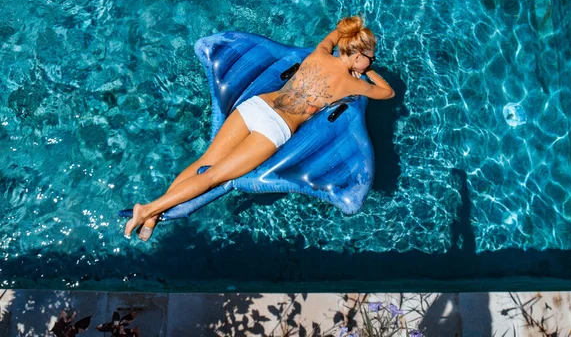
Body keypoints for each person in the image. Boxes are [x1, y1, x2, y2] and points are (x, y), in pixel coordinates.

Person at [125, 16, 395, 241]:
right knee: (214, 176)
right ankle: (148, 209)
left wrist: (349, 38)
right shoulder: (352, 84)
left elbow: (336, 34)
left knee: (204, 161)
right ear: (358, 55)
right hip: (274, 127)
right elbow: (387, 92)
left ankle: (150, 218)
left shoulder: (320, 52)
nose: (371, 62)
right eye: (370, 58)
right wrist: (366, 73)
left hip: (255, 106)